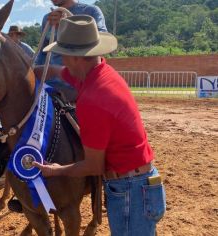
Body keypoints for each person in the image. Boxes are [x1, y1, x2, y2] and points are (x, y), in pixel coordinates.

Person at [33, 15, 166, 235]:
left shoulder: (93, 99)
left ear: (76, 58)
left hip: (130, 190)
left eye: (63, 56)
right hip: (137, 183)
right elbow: (58, 72)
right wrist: (29, 73)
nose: (62, 61)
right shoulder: (98, 72)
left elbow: (93, 166)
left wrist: (56, 171)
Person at [35, 0, 107, 101]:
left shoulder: (91, 11)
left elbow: (100, 45)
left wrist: (69, 25)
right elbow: (43, 53)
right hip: (50, 86)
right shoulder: (47, 19)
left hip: (79, 86)